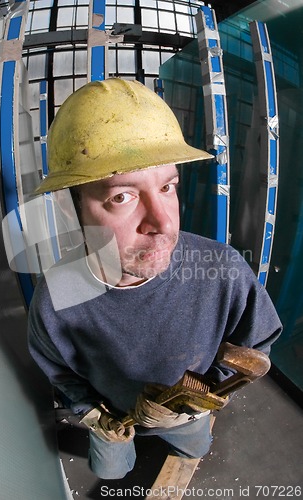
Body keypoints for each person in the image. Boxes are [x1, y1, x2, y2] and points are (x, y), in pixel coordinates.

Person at [27, 78, 282, 479]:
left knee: (195, 446)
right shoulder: (58, 295)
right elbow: (58, 368)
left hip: (189, 413)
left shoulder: (222, 270)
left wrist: (198, 399)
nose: (163, 222)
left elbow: (257, 344)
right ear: (67, 211)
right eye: (121, 196)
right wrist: (95, 415)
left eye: (167, 186)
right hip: (117, 420)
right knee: (111, 473)